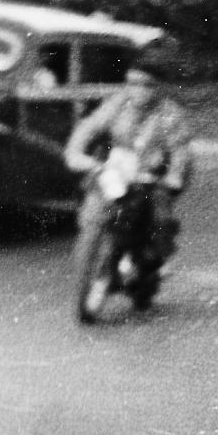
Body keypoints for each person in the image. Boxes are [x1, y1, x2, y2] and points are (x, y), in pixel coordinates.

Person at [64, 43, 193, 267]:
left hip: (153, 174)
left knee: (160, 214)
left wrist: (174, 175)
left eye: (146, 85)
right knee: (94, 207)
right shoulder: (118, 104)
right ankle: (89, 261)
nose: (139, 90)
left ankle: (159, 259)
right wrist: (76, 152)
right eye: (132, 83)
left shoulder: (170, 113)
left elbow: (179, 149)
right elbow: (89, 127)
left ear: (158, 87)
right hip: (118, 170)